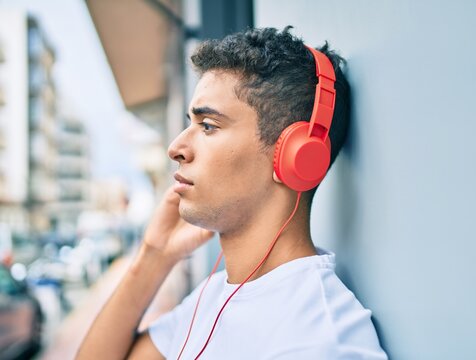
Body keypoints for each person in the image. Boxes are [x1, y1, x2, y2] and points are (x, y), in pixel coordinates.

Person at [77, 27, 387, 360]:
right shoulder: (212, 297)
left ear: (296, 155)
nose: (176, 148)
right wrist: (154, 256)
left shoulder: (318, 341)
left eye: (207, 125)